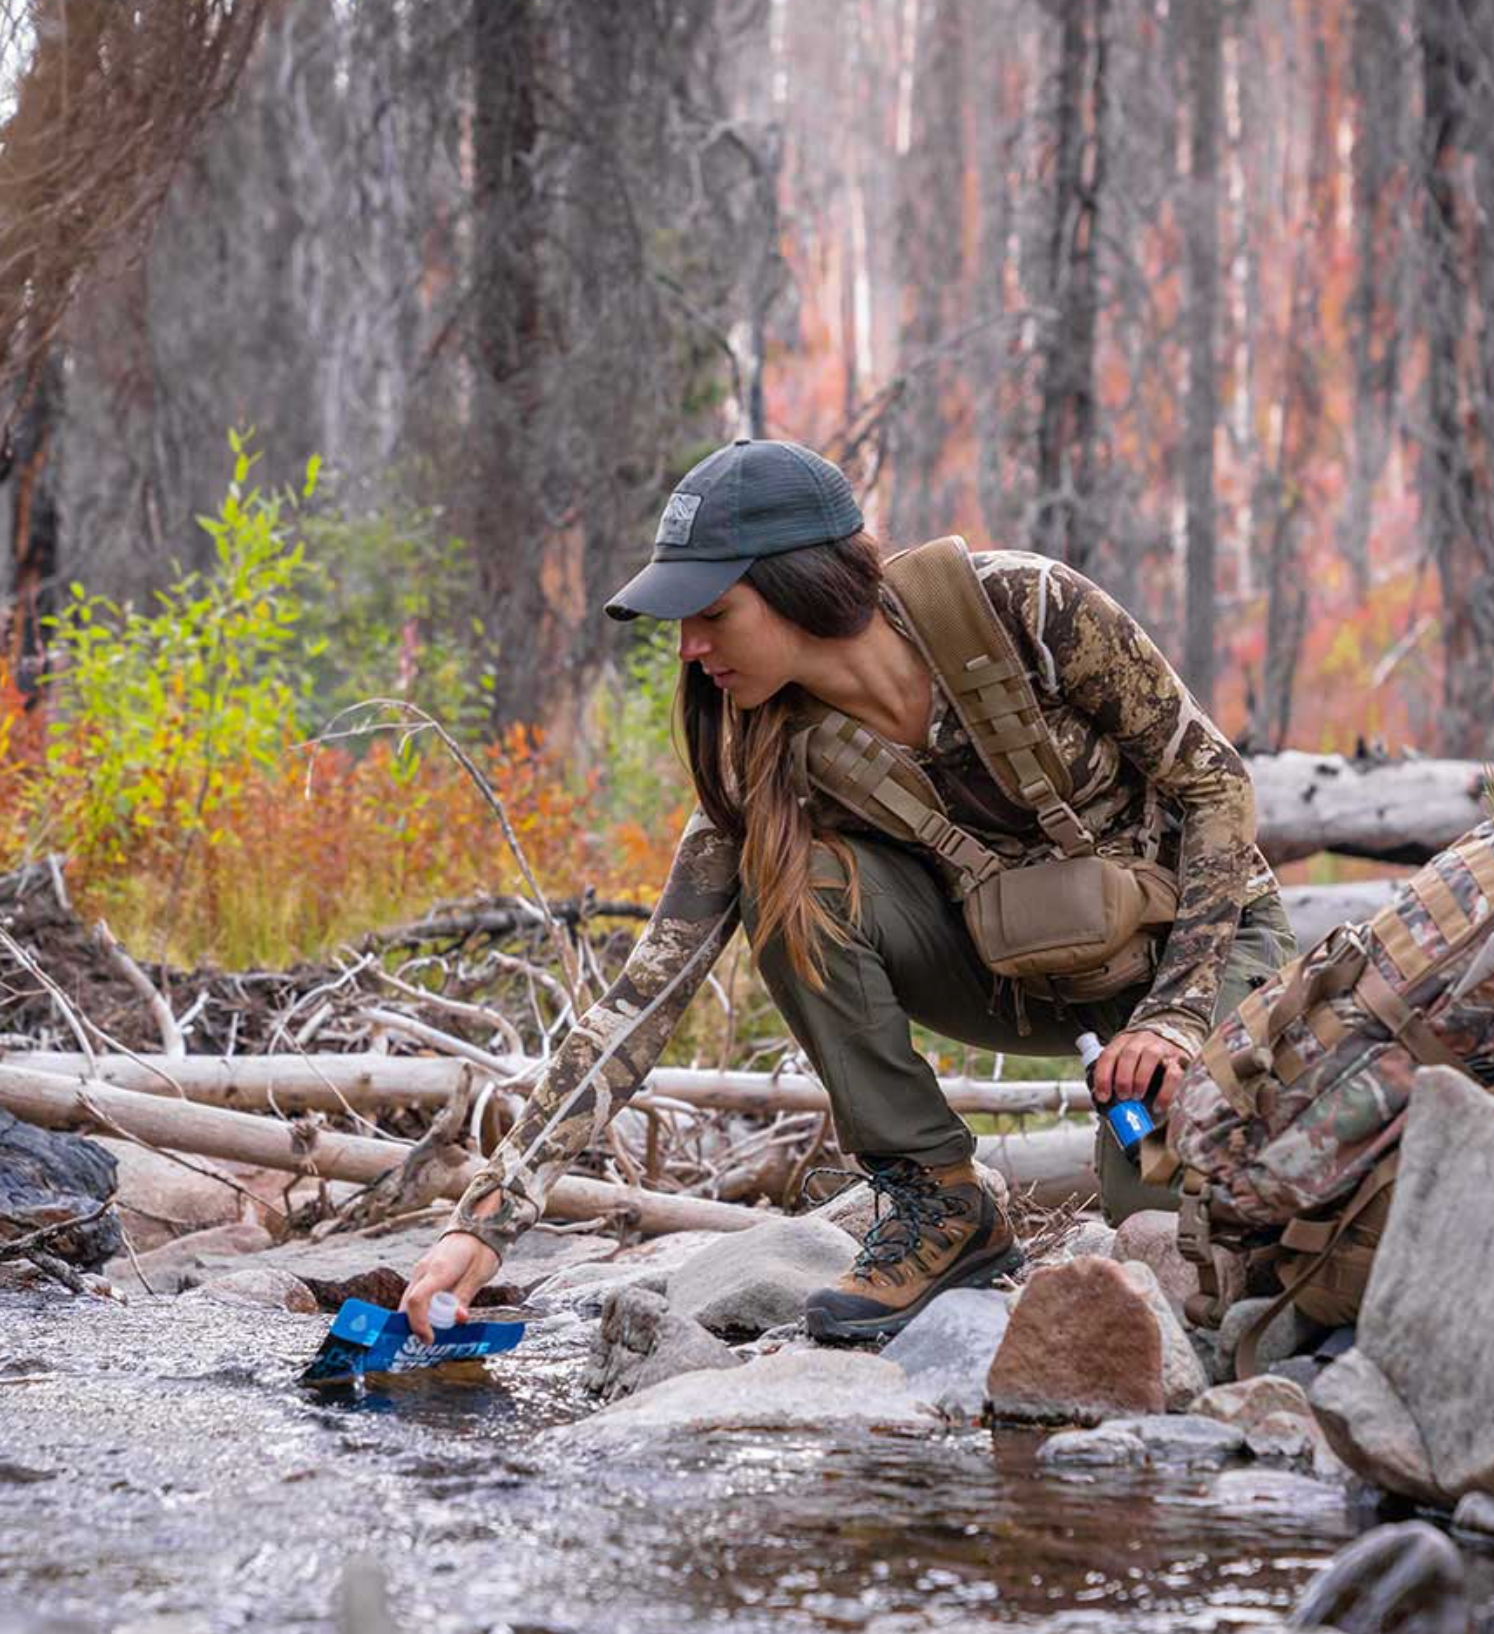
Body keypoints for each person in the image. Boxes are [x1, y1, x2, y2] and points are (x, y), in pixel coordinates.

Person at [401, 438, 1290, 1343]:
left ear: (802, 587)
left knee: (1161, 1209)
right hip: (1010, 975)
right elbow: (644, 999)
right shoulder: (764, 766)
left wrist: (1175, 1015)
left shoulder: (1027, 606)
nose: (690, 647)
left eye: (711, 611)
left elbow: (1215, 783)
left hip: (1197, 946)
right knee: (787, 880)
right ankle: (941, 1207)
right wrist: (486, 1220)